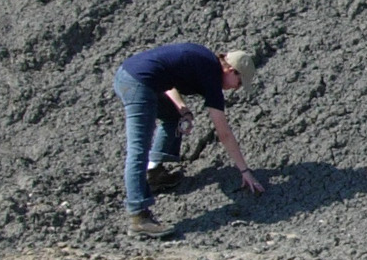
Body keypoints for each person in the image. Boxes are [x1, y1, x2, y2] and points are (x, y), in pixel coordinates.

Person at [112, 43, 266, 237]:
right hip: (138, 83)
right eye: (239, 82)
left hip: (131, 76)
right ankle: (138, 216)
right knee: (138, 149)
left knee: (173, 117)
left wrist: (182, 108)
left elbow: (167, 77)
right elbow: (223, 132)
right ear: (230, 69)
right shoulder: (211, 74)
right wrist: (245, 171)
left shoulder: (203, 62)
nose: (236, 88)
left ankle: (155, 175)